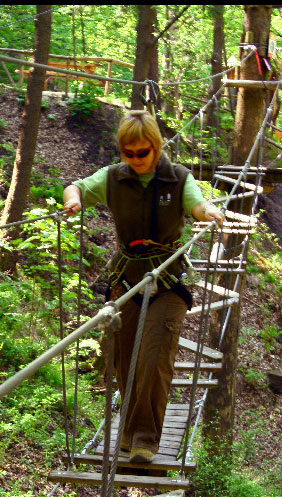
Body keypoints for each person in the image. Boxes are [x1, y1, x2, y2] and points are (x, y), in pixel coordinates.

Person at [63, 110, 224, 464]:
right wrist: (72, 200)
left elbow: (196, 204)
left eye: (142, 152)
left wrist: (208, 211)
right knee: (123, 361)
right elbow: (76, 186)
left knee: (154, 358)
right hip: (125, 279)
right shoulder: (112, 178)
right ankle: (126, 435)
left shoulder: (178, 179)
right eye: (128, 153)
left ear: (156, 147)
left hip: (167, 280)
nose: (135, 160)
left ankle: (144, 442)